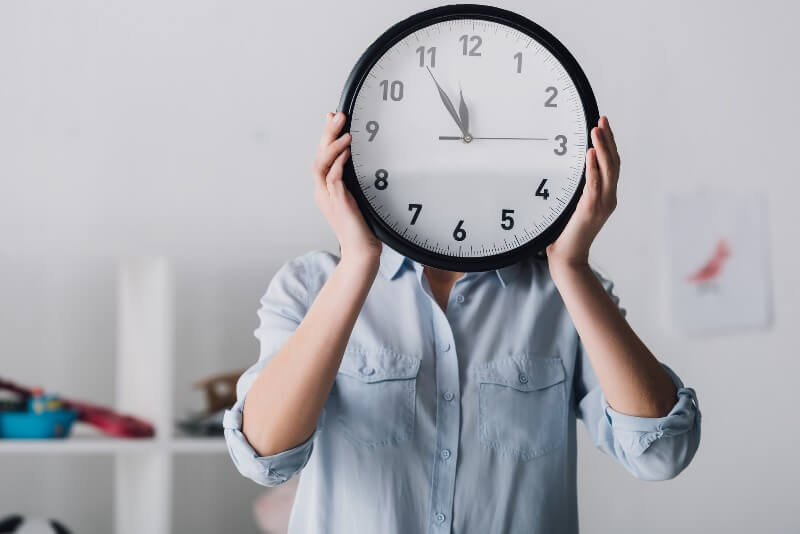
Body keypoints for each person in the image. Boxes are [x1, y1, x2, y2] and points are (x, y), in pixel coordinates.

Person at [223, 112, 701, 533]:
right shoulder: (311, 285)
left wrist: (572, 267)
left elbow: (661, 454)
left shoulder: (564, 294)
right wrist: (357, 262)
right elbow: (264, 455)